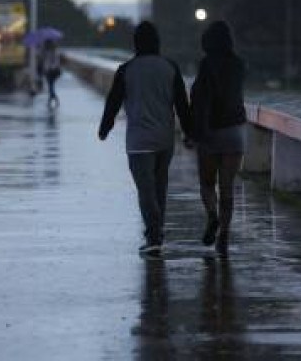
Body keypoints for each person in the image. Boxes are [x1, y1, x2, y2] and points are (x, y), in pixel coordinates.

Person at [98, 21, 191, 255]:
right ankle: (156, 232)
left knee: (146, 191)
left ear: (136, 43)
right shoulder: (170, 67)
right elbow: (182, 105)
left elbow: (113, 102)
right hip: (164, 140)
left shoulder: (126, 70)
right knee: (159, 188)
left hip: (138, 141)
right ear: (157, 42)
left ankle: (154, 235)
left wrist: (104, 128)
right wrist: (190, 132)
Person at [190, 20, 246, 256]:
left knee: (206, 183)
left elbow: (201, 98)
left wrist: (193, 131)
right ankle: (224, 235)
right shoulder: (239, 64)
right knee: (227, 187)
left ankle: (212, 216)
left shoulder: (206, 64)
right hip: (235, 130)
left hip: (212, 130)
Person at [42, 39, 61, 108]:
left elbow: (54, 62)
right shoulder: (49, 52)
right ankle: (51, 99)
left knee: (50, 85)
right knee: (50, 85)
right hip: (50, 70)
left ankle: (54, 99)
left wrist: (50, 68)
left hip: (52, 71)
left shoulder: (54, 52)